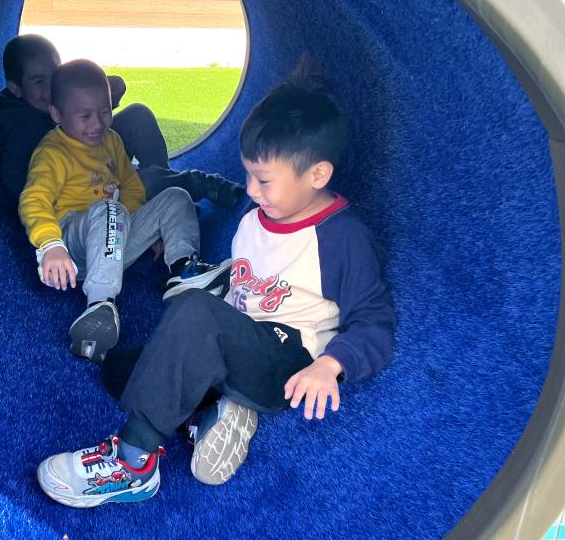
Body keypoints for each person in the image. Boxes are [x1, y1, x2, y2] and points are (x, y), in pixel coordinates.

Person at [35, 76, 395, 507]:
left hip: (286, 361)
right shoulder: (257, 217)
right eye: (248, 175)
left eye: (263, 180)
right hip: (236, 347)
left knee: (194, 311)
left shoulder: (341, 237)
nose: (251, 190)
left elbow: (375, 322)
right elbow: (246, 285)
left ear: (317, 174)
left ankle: (132, 464)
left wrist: (331, 365)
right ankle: (209, 417)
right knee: (120, 369)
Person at [19, 59, 232, 364]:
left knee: (175, 196)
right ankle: (99, 305)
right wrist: (50, 244)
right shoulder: (52, 152)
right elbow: (34, 200)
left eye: (105, 112)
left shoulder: (112, 140)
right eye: (85, 116)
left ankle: (183, 268)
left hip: (114, 237)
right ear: (56, 114)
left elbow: (131, 185)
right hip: (73, 247)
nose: (97, 124)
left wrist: (146, 227)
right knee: (109, 209)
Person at [0, 34, 245, 204]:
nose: (51, 85)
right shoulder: (21, 130)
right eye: (38, 81)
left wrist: (88, 90)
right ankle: (195, 183)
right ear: (15, 88)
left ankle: (166, 193)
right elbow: (17, 189)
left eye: (55, 73)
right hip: (81, 191)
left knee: (138, 116)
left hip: (94, 153)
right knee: (142, 182)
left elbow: (115, 86)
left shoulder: (56, 96)